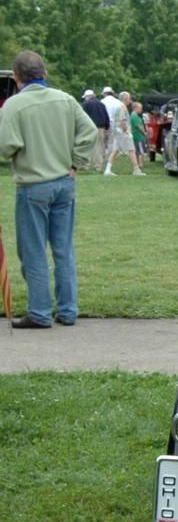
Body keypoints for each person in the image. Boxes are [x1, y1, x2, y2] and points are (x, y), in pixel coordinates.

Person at [0, 49, 97, 328]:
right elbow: (89, 131)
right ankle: (67, 310)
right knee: (63, 249)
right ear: (45, 73)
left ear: (16, 77)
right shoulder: (65, 100)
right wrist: (75, 162)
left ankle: (39, 312)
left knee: (33, 251)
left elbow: (6, 147)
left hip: (32, 185)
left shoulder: (14, 105)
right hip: (64, 182)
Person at [103, 89, 143, 175]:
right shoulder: (122, 106)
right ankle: (136, 169)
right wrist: (126, 131)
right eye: (129, 98)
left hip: (117, 132)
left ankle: (107, 169)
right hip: (122, 132)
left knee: (115, 150)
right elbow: (122, 120)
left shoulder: (118, 105)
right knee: (131, 150)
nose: (130, 100)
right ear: (125, 98)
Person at [81, 88, 110, 171]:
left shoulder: (85, 104)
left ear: (87, 97)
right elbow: (106, 117)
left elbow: (82, 117)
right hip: (100, 128)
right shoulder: (101, 104)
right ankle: (98, 166)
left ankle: (85, 165)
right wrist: (107, 127)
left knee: (86, 146)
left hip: (88, 128)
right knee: (99, 147)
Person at [130, 101, 148, 166]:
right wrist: (144, 133)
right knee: (141, 151)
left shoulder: (134, 115)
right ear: (135, 108)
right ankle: (140, 164)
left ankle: (137, 163)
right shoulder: (134, 116)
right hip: (138, 136)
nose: (141, 110)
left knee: (137, 151)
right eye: (140, 108)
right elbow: (138, 126)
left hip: (137, 136)